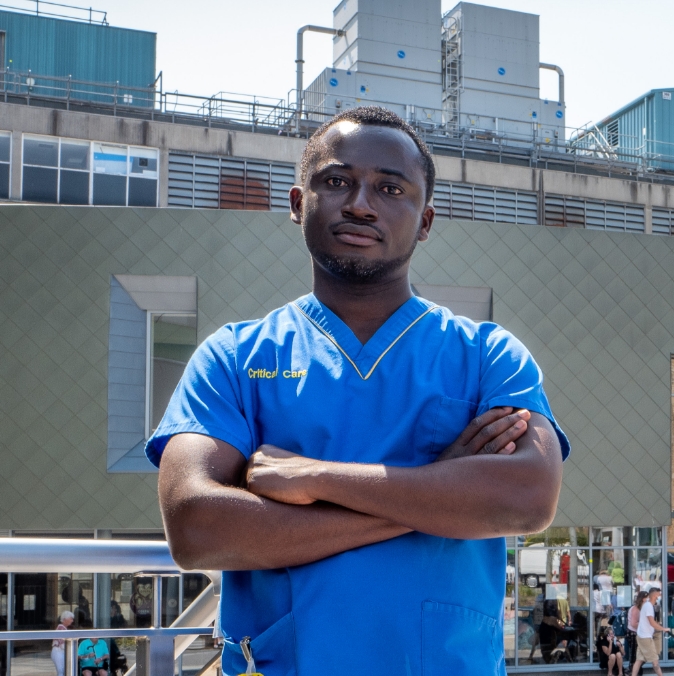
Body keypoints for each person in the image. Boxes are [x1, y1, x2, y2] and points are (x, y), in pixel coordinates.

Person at [147, 106, 569, 675]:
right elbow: (195, 526)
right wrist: (442, 490)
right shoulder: (236, 357)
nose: (361, 203)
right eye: (337, 181)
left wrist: (315, 477)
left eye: (390, 188)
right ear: (299, 204)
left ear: (425, 220)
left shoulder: (487, 356)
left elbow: (527, 500)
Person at [631, 588, 670, 676]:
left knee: (639, 660)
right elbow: (651, 622)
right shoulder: (648, 606)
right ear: (654, 595)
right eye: (658, 595)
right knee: (655, 662)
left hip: (641, 636)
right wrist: (664, 629)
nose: (659, 597)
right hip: (645, 637)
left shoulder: (646, 605)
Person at [627, 592, 648, 676]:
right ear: (643, 599)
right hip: (634, 634)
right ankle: (633, 671)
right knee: (636, 655)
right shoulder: (636, 609)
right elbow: (633, 623)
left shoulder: (641, 608)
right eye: (647, 598)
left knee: (639, 655)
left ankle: (634, 670)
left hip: (637, 633)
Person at [50, 611, 74, 676]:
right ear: (65, 619)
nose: (72, 620)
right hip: (58, 651)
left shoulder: (64, 628)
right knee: (60, 671)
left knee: (62, 671)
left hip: (61, 652)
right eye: (71, 618)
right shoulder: (61, 628)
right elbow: (62, 645)